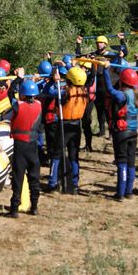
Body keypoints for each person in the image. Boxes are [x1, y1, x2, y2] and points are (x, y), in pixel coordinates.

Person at [104, 63, 138, 200]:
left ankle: (120, 193)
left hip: (121, 132)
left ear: (122, 81)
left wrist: (105, 71)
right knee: (131, 162)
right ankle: (129, 192)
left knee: (122, 162)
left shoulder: (121, 96)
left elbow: (109, 89)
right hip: (134, 133)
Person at [43, 65, 92, 194]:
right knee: (73, 156)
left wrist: (54, 81)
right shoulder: (84, 91)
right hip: (76, 126)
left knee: (56, 154)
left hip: (64, 125)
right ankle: (75, 184)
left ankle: (52, 183)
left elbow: (49, 92)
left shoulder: (65, 92)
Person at [76, 33, 128, 138]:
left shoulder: (111, 55)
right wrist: (78, 44)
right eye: (98, 43)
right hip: (97, 83)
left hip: (108, 83)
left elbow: (124, 53)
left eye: (101, 43)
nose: (99, 44)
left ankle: (111, 132)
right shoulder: (94, 54)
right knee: (99, 108)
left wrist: (122, 40)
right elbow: (79, 57)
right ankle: (102, 130)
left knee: (108, 109)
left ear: (105, 44)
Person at [7, 75, 43, 218]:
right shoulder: (39, 104)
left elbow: (10, 93)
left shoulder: (18, 105)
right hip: (33, 145)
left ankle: (14, 209)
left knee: (18, 176)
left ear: (22, 94)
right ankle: (34, 207)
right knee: (34, 177)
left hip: (20, 146)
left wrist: (18, 78)